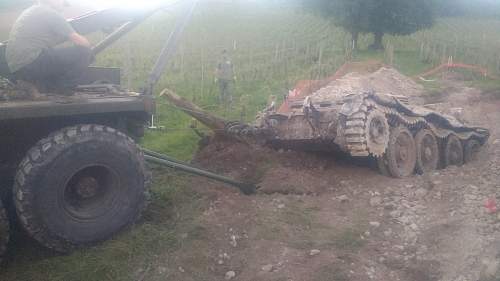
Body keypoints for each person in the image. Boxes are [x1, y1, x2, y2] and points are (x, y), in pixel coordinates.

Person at [6, 0, 92, 96]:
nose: (64, 4)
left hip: (18, 67)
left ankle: (36, 84)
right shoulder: (49, 13)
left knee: (56, 55)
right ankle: (63, 88)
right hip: (31, 63)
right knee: (84, 52)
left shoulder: (33, 10)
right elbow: (82, 42)